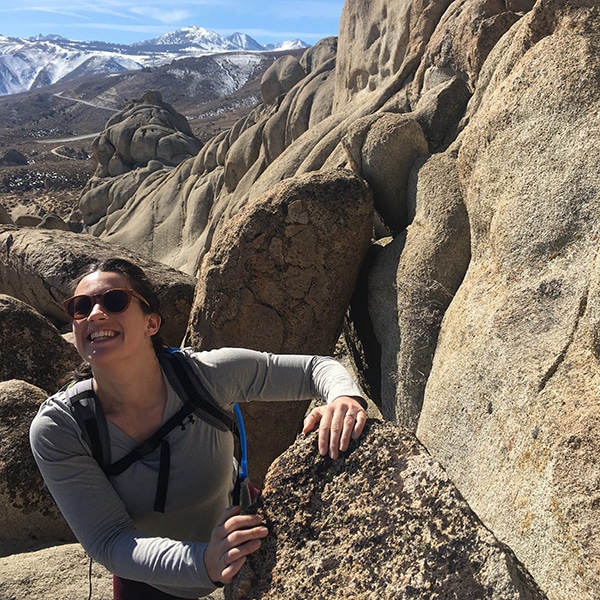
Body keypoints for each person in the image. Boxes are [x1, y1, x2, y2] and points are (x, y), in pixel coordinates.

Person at [29, 257, 368, 600]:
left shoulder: (203, 376)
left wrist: (344, 397)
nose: (95, 314)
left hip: (246, 533)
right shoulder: (62, 427)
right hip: (152, 579)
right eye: (80, 307)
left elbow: (314, 370)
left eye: (115, 301)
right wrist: (202, 562)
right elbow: (109, 539)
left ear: (152, 323)